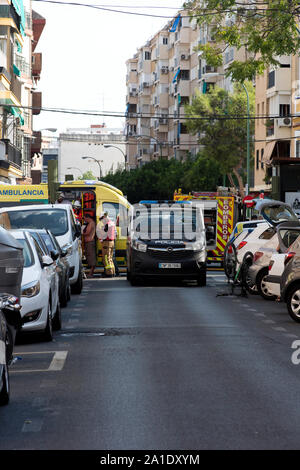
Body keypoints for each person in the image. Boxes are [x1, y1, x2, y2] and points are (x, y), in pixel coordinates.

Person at [96, 212, 116, 277]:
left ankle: (108, 273)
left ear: (104, 217)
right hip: (112, 242)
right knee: (110, 258)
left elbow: (104, 234)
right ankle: (112, 272)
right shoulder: (112, 223)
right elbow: (115, 233)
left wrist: (101, 239)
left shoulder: (106, 225)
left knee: (106, 259)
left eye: (101, 218)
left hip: (106, 243)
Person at [82, 213, 96, 278]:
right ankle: (90, 273)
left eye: (84, 218)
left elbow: (87, 233)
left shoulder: (91, 223)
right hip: (88, 243)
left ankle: (91, 273)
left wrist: (81, 232)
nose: (84, 220)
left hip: (90, 242)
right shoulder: (90, 223)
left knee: (91, 258)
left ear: (87, 218)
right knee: (89, 257)